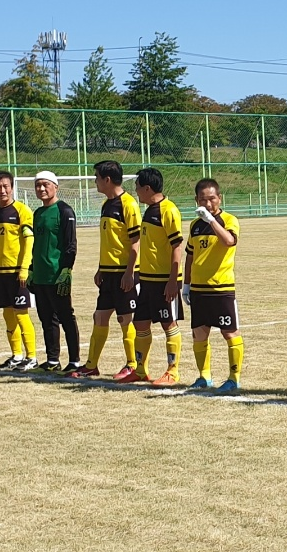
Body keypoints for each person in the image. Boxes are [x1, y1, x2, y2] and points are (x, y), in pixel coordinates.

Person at [67, 161, 140, 381]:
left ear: (107, 179)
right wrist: (100, 268)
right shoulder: (106, 205)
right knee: (99, 317)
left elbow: (135, 242)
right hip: (107, 273)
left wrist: (129, 273)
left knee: (125, 319)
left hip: (124, 272)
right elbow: (110, 241)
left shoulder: (129, 204)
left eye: (97, 177)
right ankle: (91, 366)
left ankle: (132, 364)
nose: (95, 181)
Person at [185, 177, 244, 394]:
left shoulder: (229, 220)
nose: (208, 203)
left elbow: (228, 241)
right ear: (196, 200)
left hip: (221, 288)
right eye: (203, 199)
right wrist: (186, 285)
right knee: (199, 334)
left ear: (219, 198)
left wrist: (211, 220)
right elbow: (190, 256)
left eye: (211, 199)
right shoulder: (194, 225)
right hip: (199, 289)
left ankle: (233, 378)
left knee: (230, 333)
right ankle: (204, 376)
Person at [131, 167, 185, 385]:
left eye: (137, 188)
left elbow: (177, 246)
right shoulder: (150, 209)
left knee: (168, 323)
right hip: (147, 279)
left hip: (164, 280)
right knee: (141, 324)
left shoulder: (168, 210)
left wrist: (173, 280)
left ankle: (173, 371)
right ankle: (141, 370)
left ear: (147, 188)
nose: (135, 192)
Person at [0, 170, 37, 370]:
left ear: (12, 188)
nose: (2, 190)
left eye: (5, 186)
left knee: (22, 313)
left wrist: (24, 269)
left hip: (17, 272)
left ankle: (31, 357)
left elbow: (29, 241)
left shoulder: (22, 211)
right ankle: (16, 355)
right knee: (8, 314)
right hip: (1, 273)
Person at [28, 171, 80, 372]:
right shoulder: (38, 214)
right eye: (38, 185)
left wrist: (67, 270)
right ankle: (52, 360)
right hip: (40, 276)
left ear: (55, 187)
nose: (41, 189)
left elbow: (70, 244)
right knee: (46, 319)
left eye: (45, 185)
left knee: (66, 317)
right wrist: (32, 269)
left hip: (58, 276)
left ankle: (74, 360)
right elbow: (36, 245)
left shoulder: (64, 211)